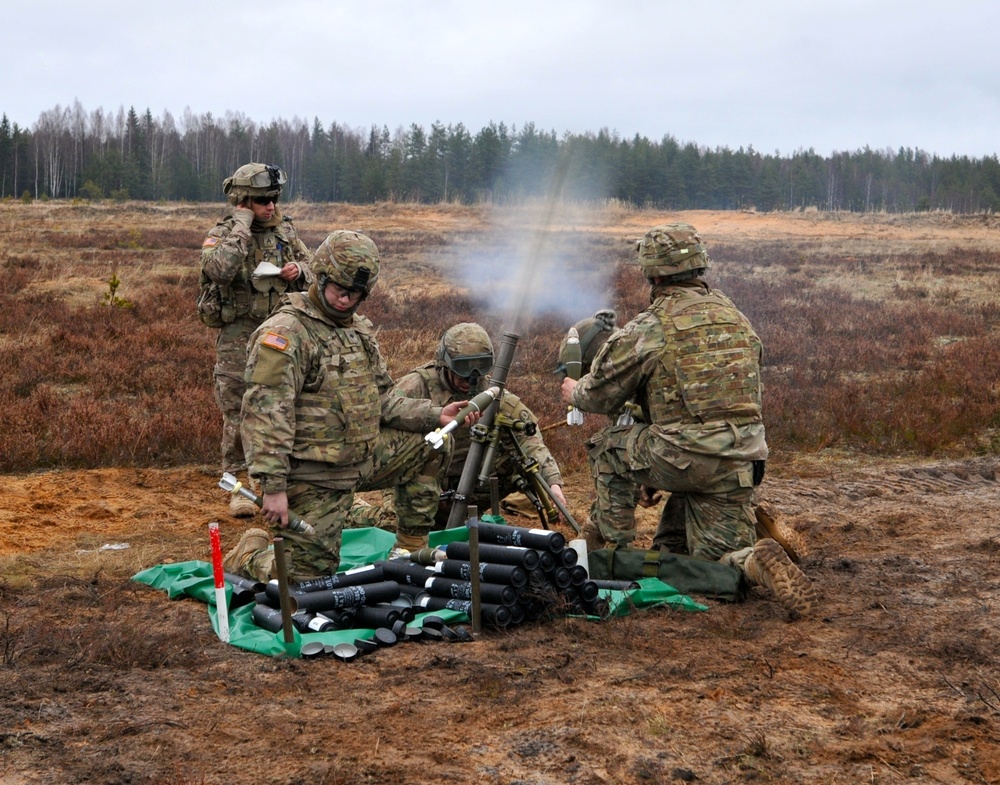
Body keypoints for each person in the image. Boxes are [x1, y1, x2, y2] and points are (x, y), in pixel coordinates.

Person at [560, 222, 817, 617]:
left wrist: (573, 391)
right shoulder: (736, 319)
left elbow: (599, 395)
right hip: (742, 461)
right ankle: (754, 562)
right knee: (712, 562)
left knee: (608, 446)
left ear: (654, 273)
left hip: (687, 456)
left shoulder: (651, 326)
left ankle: (610, 553)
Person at [223, 231, 475, 583]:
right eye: (338, 289)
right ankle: (250, 552)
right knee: (306, 580)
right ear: (321, 277)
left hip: (361, 460)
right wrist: (274, 487)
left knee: (434, 441)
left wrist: (436, 415)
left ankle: (410, 547)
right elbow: (266, 414)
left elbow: (384, 399)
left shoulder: (358, 331)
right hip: (312, 476)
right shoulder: (287, 333)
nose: (345, 299)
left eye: (355, 294)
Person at [357, 323, 568, 530]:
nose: (471, 378)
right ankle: (354, 511)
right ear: (445, 364)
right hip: (416, 478)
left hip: (465, 484)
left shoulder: (491, 393)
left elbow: (530, 440)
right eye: (463, 368)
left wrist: (553, 484)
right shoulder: (415, 386)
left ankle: (459, 518)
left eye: (480, 366)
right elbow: (382, 425)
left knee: (517, 463)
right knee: (393, 526)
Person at [197, 163, 313, 518]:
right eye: (263, 201)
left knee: (282, 406)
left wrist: (300, 271)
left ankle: (278, 482)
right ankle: (237, 486)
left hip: (277, 333)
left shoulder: (285, 232)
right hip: (238, 334)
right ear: (244, 201)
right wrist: (242, 225)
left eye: (274, 200)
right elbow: (218, 269)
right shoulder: (224, 233)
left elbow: (314, 269)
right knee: (237, 410)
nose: (271, 207)